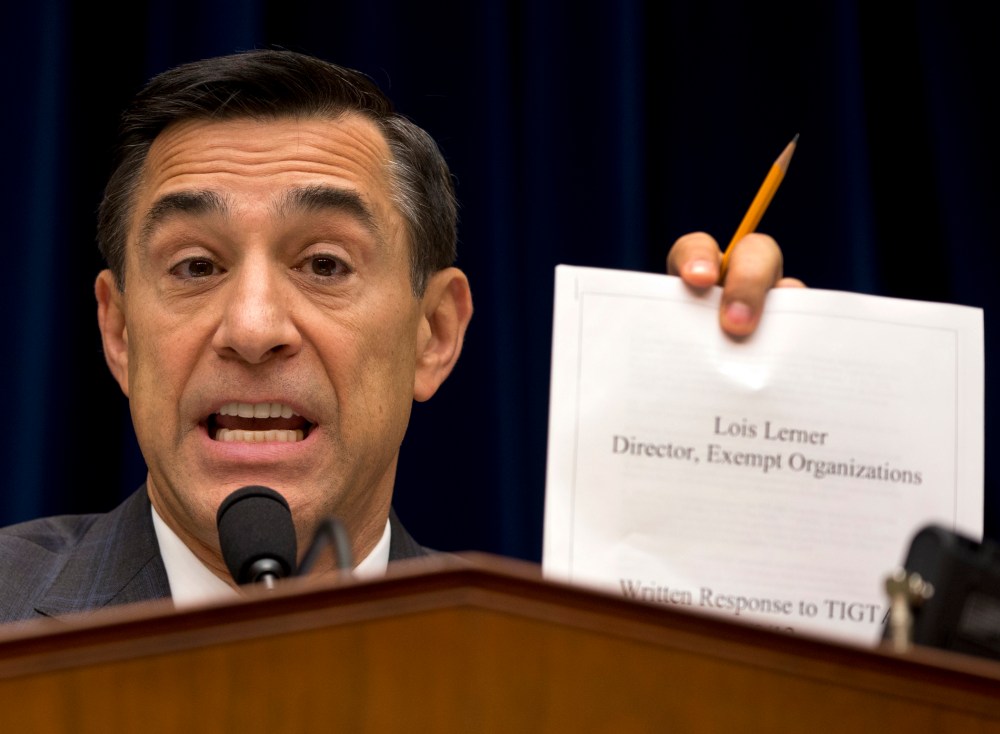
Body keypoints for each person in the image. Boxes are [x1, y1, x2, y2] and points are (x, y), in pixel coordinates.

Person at [0, 48, 798, 624]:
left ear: (435, 333)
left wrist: (753, 467)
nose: (251, 328)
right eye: (195, 267)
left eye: (323, 262)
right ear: (119, 333)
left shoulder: (555, 670)